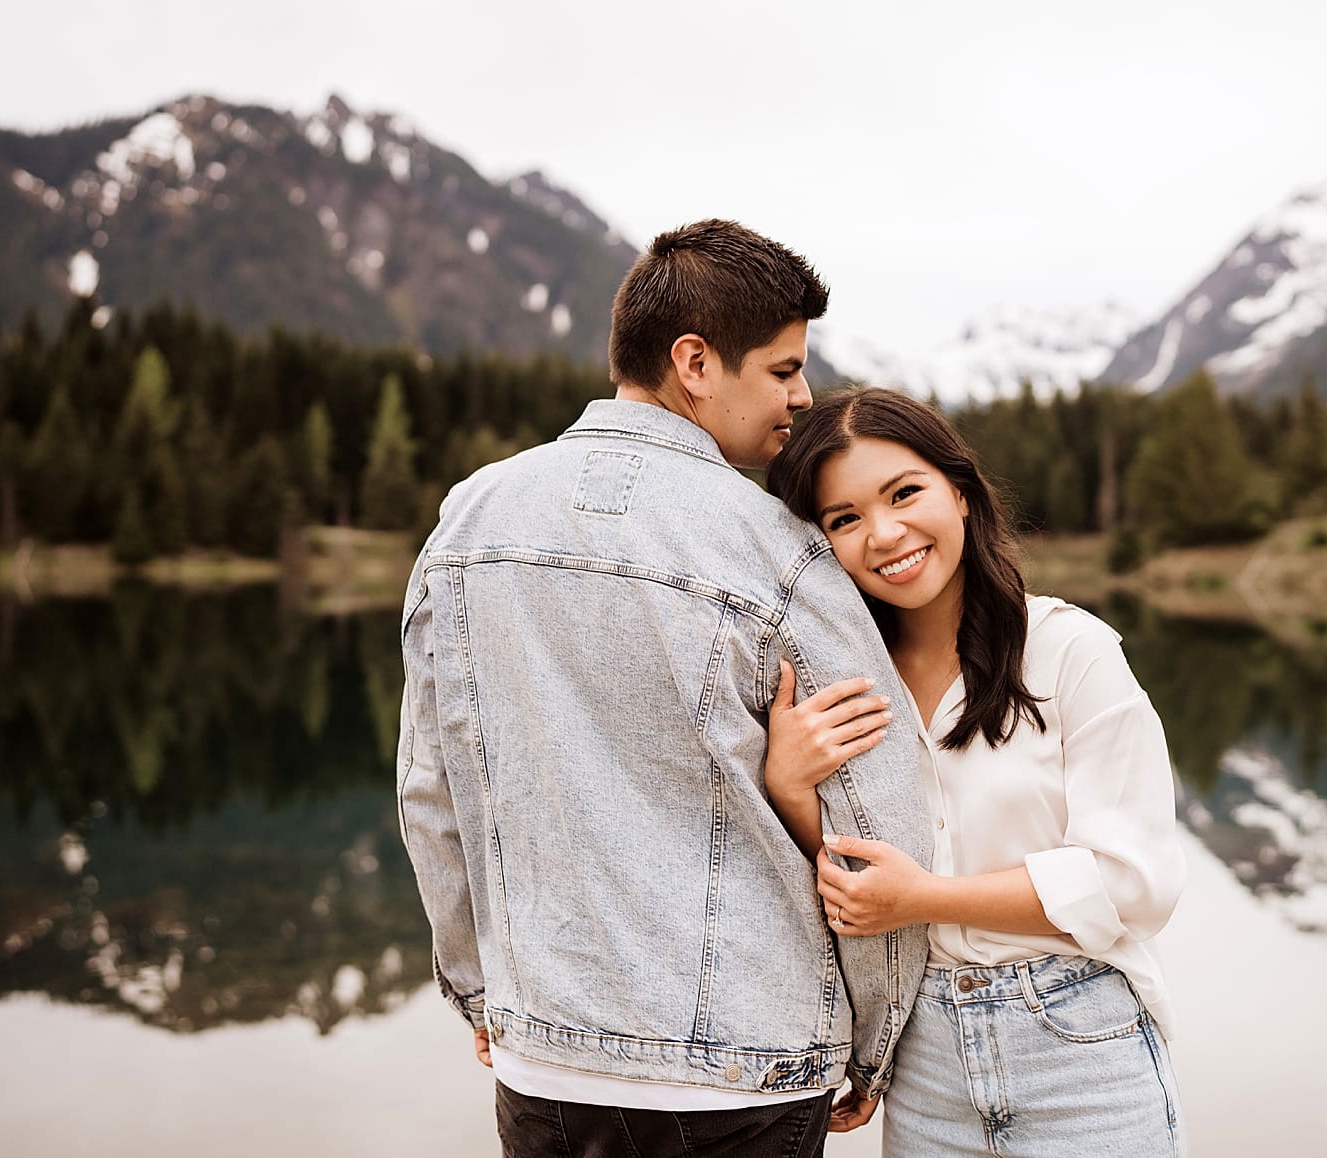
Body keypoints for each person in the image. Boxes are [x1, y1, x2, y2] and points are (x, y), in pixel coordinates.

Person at [396, 220, 931, 1158]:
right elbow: (875, 822)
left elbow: (432, 791)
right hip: (746, 1071)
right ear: (695, 363)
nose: (802, 397)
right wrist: (875, 1044)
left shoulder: (468, 520)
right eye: (780, 370)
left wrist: (481, 990)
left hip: (543, 1063)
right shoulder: (779, 551)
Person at [764, 386, 1188, 1157]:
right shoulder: (836, 683)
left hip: (1078, 1048)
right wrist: (790, 787)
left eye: (904, 493)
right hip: (922, 1057)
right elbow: (844, 890)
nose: (885, 534)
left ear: (959, 491)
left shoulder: (1070, 650)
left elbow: (1132, 883)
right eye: (844, 518)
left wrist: (924, 899)